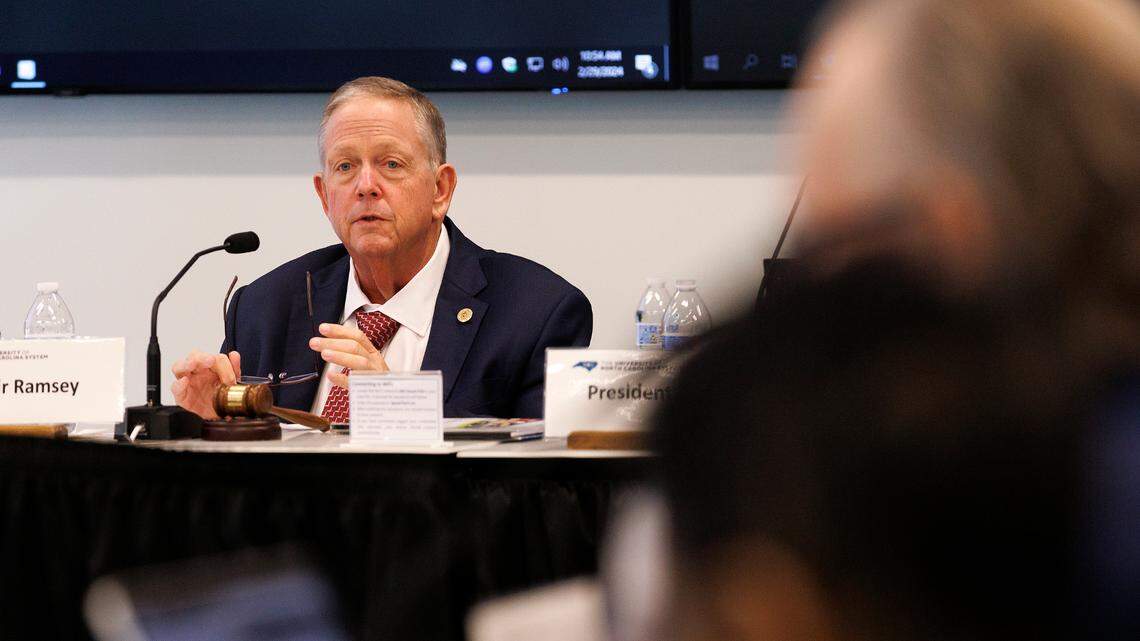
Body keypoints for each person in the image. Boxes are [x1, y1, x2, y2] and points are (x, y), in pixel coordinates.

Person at [171, 77, 592, 419]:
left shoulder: (536, 313)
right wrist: (209, 423)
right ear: (324, 196)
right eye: (345, 167)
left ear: (440, 190)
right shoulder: (265, 306)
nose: (365, 186)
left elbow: (536, 494)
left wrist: (395, 408)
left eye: (391, 164)